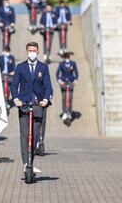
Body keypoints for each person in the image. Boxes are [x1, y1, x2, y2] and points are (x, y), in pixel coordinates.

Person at [10, 42, 53, 174]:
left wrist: (46, 99)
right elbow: (14, 85)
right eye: (30, 50)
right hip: (24, 104)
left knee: (34, 136)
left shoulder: (43, 67)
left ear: (38, 51)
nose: (32, 52)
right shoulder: (20, 67)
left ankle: (30, 162)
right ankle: (25, 164)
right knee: (24, 135)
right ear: (26, 51)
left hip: (38, 105)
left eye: (34, 50)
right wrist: (16, 99)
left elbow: (48, 86)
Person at [56, 52, 78, 121]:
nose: (67, 58)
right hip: (64, 82)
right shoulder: (61, 64)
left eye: (68, 57)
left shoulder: (73, 63)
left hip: (71, 82)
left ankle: (69, 113)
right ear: (64, 57)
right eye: (66, 57)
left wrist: (75, 80)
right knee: (64, 97)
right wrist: (59, 80)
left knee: (70, 97)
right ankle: (64, 112)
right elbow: (57, 73)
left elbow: (76, 73)